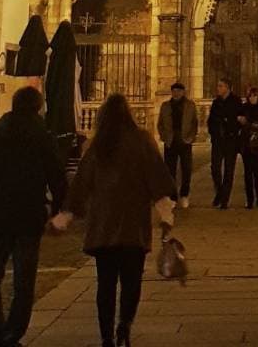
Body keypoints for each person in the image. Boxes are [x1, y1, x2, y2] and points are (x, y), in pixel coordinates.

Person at [52, 94, 175, 347]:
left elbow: (81, 185)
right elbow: (157, 179)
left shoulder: (98, 146)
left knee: (105, 285)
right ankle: (124, 326)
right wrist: (166, 214)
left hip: (104, 226)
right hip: (133, 225)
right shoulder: (141, 141)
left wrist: (64, 217)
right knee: (131, 283)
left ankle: (106, 336)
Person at [0, 85, 66, 347]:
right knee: (24, 281)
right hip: (28, 218)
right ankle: (12, 333)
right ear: (38, 108)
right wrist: (57, 211)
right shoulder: (43, 139)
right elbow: (58, 179)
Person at [157, 81, 198, 208]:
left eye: (178, 91)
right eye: (174, 91)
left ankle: (184, 194)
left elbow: (194, 123)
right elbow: (160, 124)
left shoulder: (190, 105)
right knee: (170, 171)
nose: (176, 93)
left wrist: (191, 137)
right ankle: (172, 196)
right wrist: (164, 136)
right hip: (171, 140)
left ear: (183, 92)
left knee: (186, 169)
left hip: (185, 140)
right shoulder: (165, 106)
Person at [207, 78, 243, 209]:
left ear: (227, 88)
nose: (218, 88)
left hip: (230, 140)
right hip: (217, 140)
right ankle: (220, 192)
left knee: (229, 170)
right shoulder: (216, 102)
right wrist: (213, 131)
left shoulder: (236, 101)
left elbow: (239, 119)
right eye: (218, 86)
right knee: (215, 168)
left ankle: (224, 199)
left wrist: (230, 122)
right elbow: (211, 120)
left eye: (220, 86)